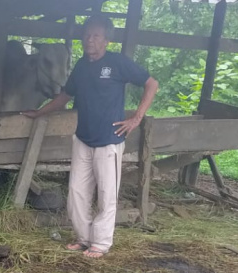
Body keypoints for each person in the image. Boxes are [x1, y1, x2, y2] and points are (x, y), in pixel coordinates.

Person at [22, 15, 158, 258]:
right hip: (83, 138)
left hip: (110, 139)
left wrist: (136, 118)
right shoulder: (82, 66)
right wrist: (40, 112)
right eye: (87, 35)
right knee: (76, 192)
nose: (89, 39)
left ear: (106, 40)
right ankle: (84, 238)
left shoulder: (117, 63)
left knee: (107, 194)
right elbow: (66, 95)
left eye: (95, 35)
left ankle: (102, 243)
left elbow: (151, 83)